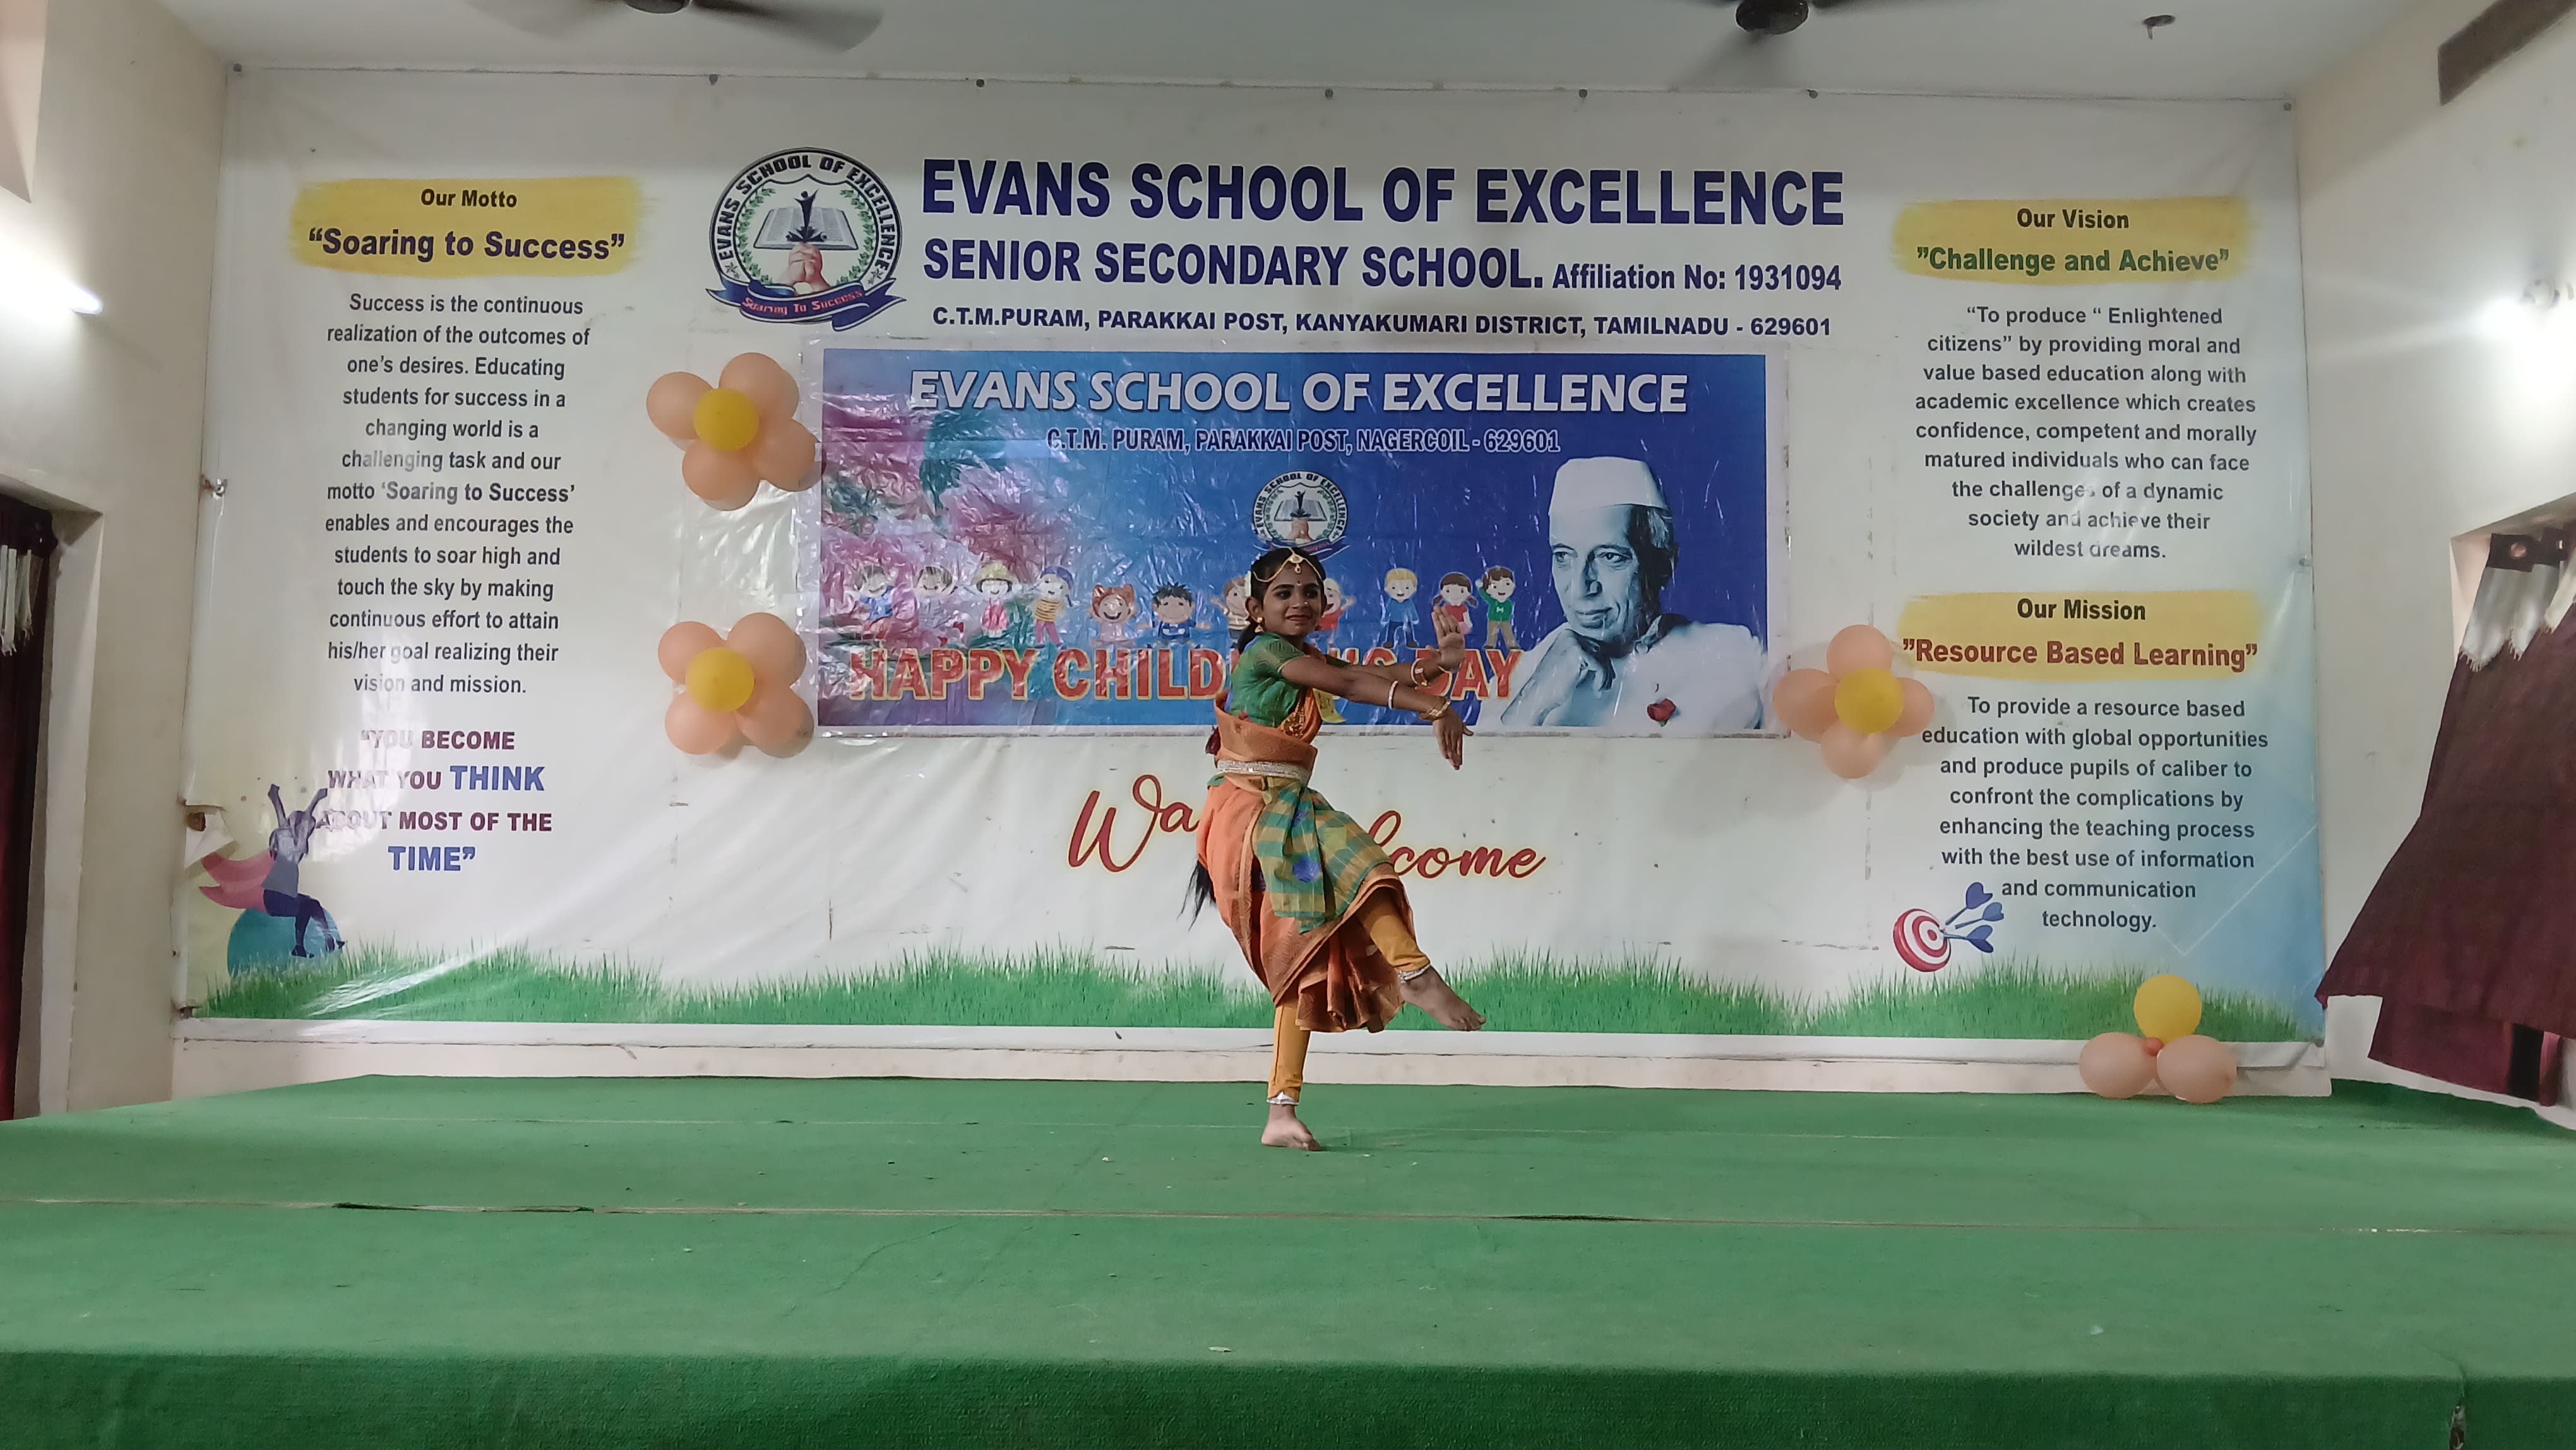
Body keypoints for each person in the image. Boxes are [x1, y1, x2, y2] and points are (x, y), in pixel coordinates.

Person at [1190, 546, 1486, 1149]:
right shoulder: (1267, 653)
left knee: (1301, 961)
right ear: (1255, 609)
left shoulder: (1299, 656)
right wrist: (1436, 705)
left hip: (1281, 806)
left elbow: (1372, 675)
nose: (1300, 602)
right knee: (1361, 865)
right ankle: (1415, 973)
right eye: (1283, 594)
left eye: (1310, 593)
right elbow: (1350, 684)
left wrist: (1442, 664)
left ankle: (1281, 1113)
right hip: (1253, 812)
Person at [1499, 456, 1764, 733]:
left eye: (1610, 557)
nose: (1580, 590)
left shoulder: (1738, 655)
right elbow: (1481, 757)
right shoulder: (1523, 676)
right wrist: (1532, 702)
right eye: (1563, 556)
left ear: (1664, 565)